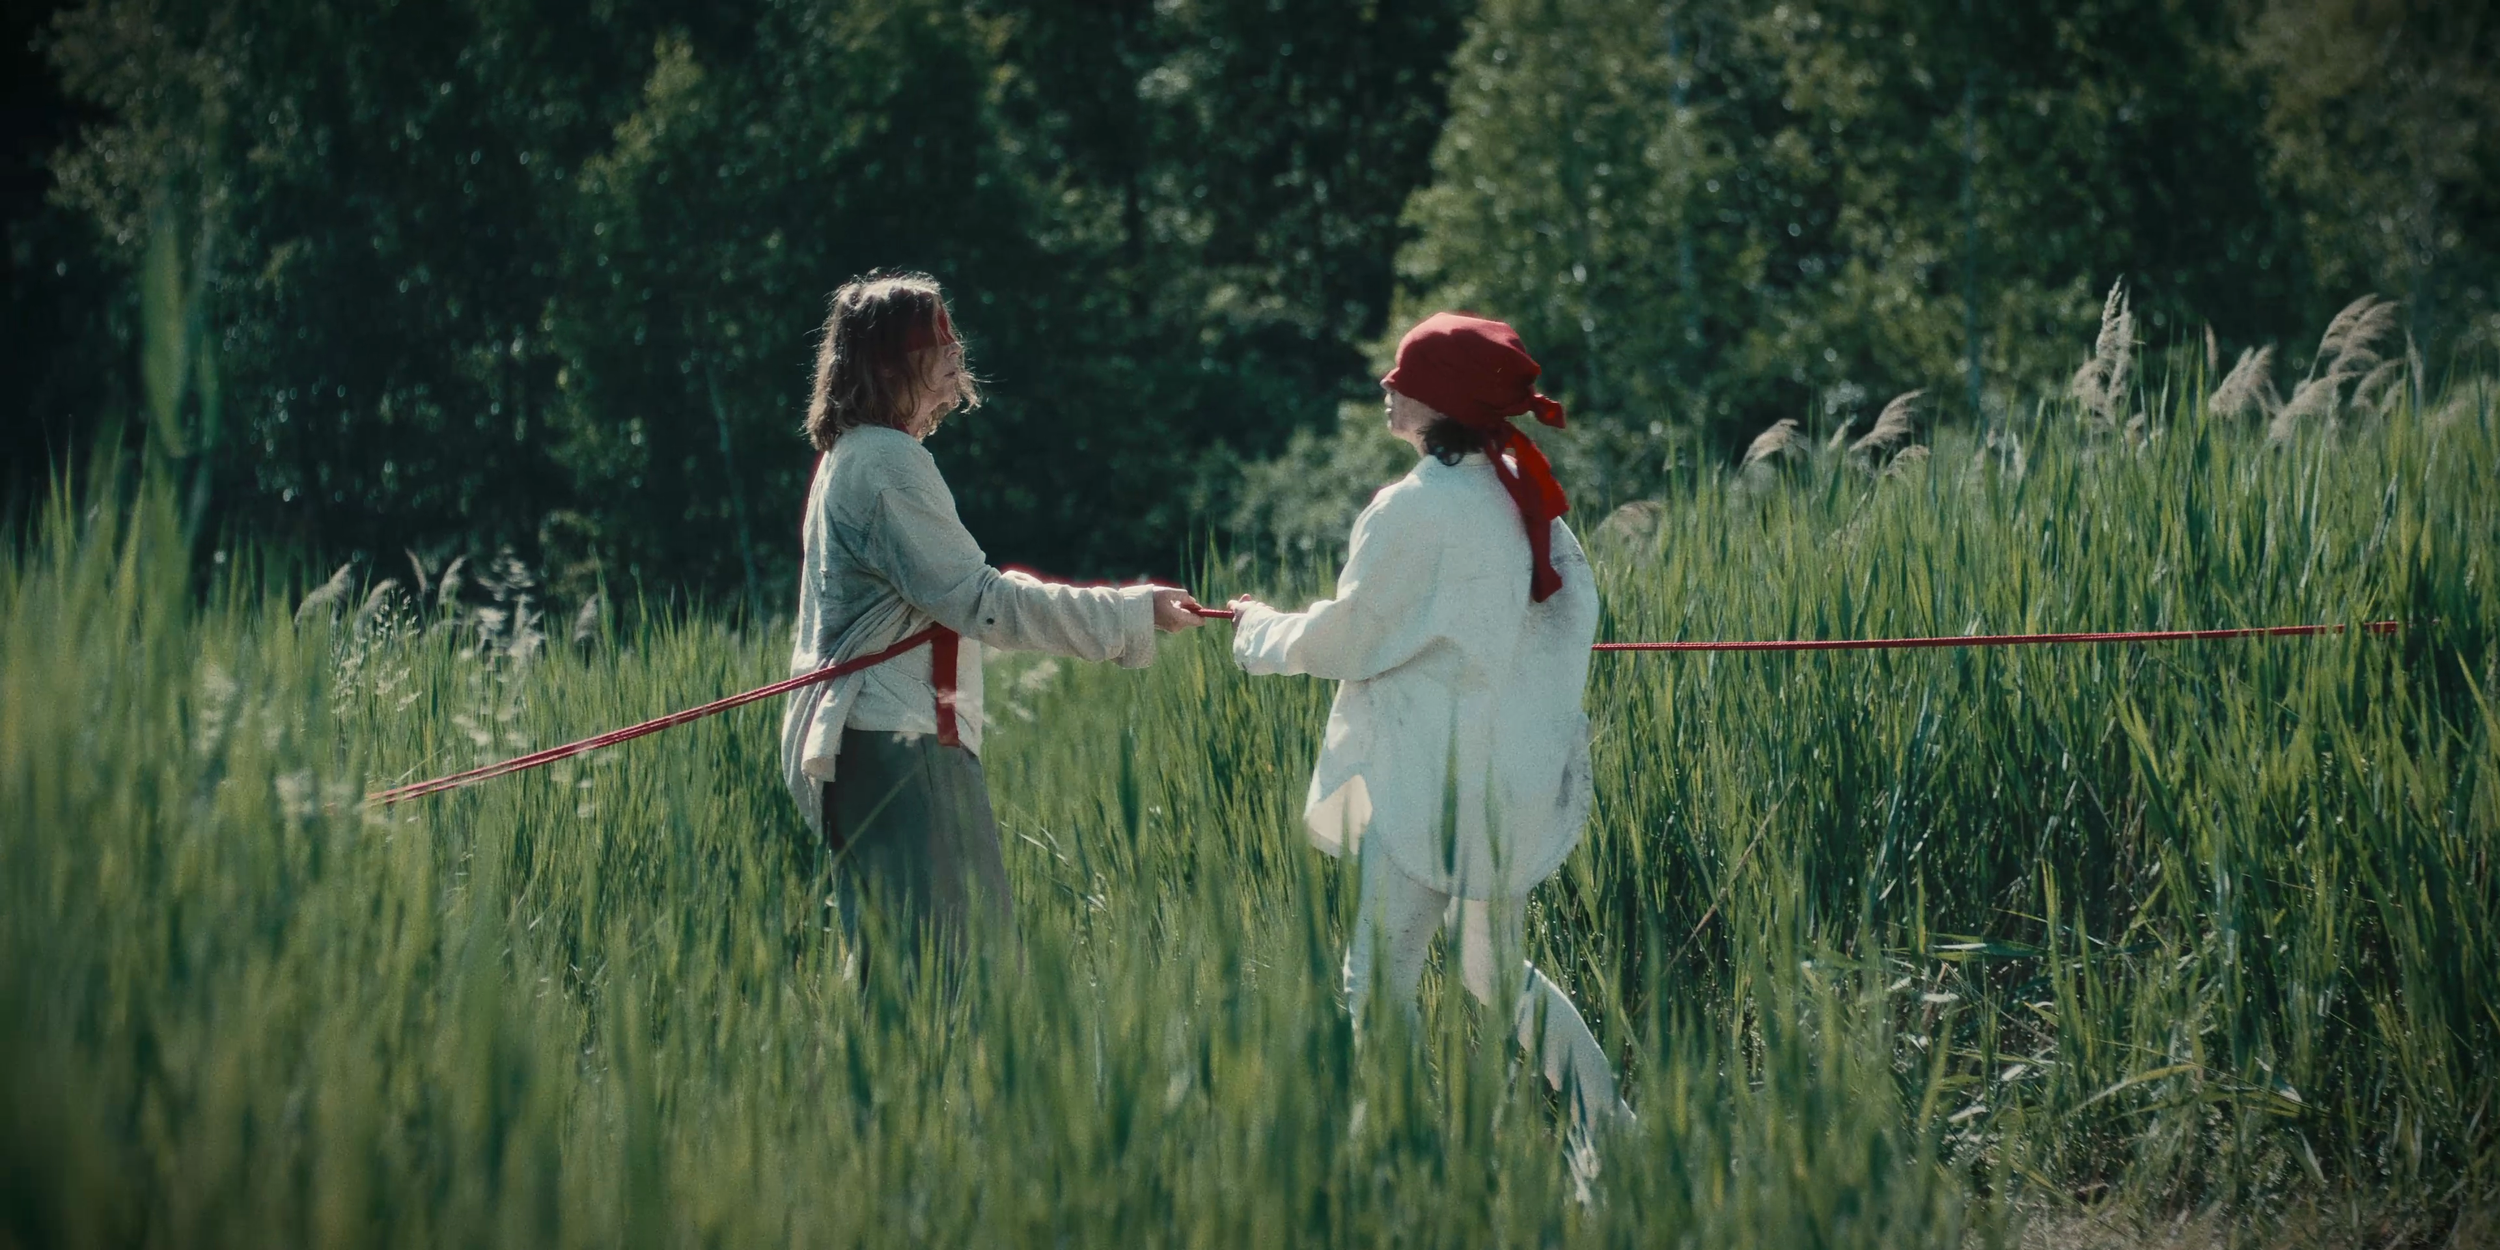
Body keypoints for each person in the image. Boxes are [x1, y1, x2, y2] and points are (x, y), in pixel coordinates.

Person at [1227, 312, 1624, 1135]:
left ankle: (1404, 1162)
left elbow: (1348, 639)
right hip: (1506, 779)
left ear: (1437, 402)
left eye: (1401, 379)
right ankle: (1612, 1132)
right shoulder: (1529, 504)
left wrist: (1256, 629)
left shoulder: (1415, 508)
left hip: (1430, 785)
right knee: (1492, 967)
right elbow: (1562, 623)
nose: (1386, 388)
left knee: (1376, 980)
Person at [779, 270, 1205, 956]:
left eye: (951, 333)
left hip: (882, 737)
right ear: (887, 358)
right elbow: (982, 601)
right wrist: (1131, 614)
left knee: (911, 973)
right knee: (951, 974)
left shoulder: (858, 455)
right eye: (933, 337)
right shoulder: (885, 462)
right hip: (900, 741)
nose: (954, 350)